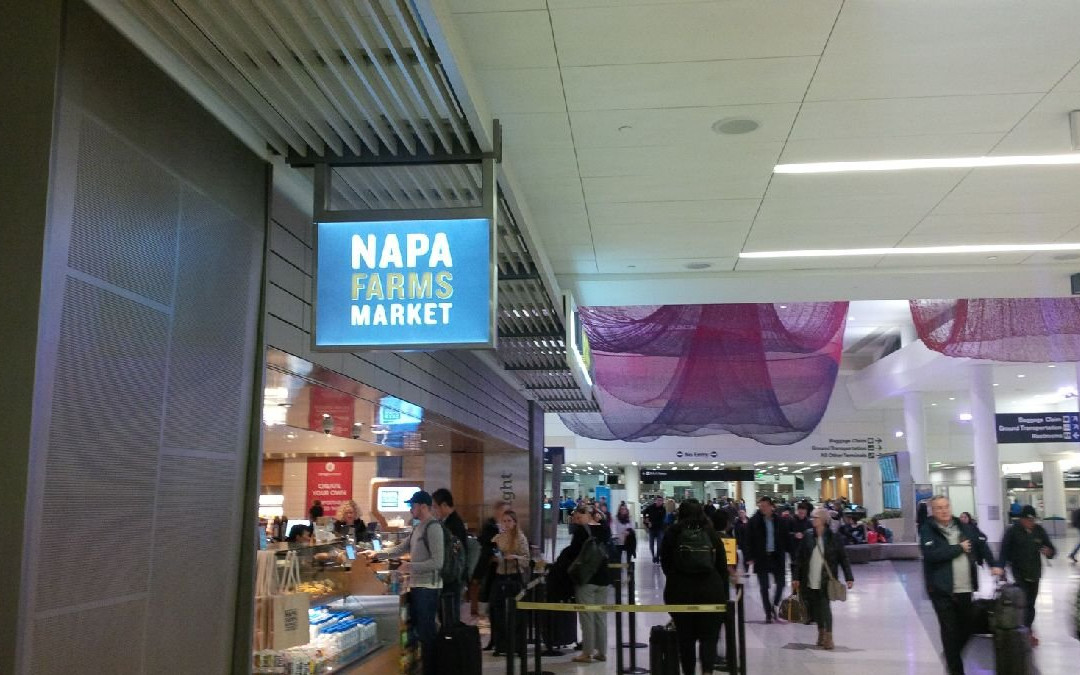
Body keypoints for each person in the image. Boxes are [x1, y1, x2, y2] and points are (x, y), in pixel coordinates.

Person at [362, 491, 444, 675]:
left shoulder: (433, 528)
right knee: (419, 632)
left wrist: (410, 566)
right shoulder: (418, 527)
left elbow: (438, 562)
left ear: (423, 506)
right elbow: (401, 548)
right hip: (417, 587)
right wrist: (377, 554)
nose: (410, 509)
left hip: (428, 588)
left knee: (427, 634)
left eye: (412, 505)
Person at [919, 495, 1003, 675]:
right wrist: (959, 548)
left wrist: (993, 564)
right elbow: (931, 554)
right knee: (949, 631)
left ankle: (951, 655)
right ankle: (955, 669)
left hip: (965, 588)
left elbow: (981, 544)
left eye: (946, 506)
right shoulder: (928, 529)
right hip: (942, 590)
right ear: (933, 511)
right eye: (939, 508)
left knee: (967, 627)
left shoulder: (963, 526)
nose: (944, 510)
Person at [660, 499, 729, 675]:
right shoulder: (711, 533)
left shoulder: (672, 533)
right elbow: (722, 567)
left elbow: (665, 564)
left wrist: (677, 578)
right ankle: (707, 671)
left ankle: (689, 671)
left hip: (681, 592)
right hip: (711, 592)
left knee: (685, 639)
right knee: (709, 638)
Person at [791, 507, 854, 650]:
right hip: (810, 577)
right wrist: (796, 577)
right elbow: (799, 558)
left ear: (824, 520)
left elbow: (843, 558)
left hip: (826, 579)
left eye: (816, 517)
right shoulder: (808, 536)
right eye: (812, 517)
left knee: (825, 606)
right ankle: (821, 632)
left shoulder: (834, 537)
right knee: (815, 608)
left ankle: (829, 636)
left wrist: (849, 577)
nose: (813, 520)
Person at [1000, 504, 1056, 646]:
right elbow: (1004, 551)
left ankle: (1028, 629)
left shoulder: (1039, 531)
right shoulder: (1012, 531)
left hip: (1035, 572)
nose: (1031, 523)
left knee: (1031, 604)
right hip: (1019, 572)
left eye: (1033, 520)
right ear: (1021, 519)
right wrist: (1001, 568)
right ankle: (1023, 632)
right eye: (1028, 520)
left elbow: (1051, 549)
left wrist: (1049, 552)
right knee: (1022, 602)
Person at [563, 504, 613, 663]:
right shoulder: (605, 529)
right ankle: (602, 651)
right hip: (603, 578)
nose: (577, 521)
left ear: (588, 515)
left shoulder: (581, 532)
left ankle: (587, 652)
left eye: (579, 517)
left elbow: (573, 552)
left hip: (586, 579)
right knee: (600, 616)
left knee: (586, 616)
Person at [488, 509, 530, 657]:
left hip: (514, 577)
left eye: (509, 521)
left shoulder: (520, 538)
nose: (506, 524)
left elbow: (526, 559)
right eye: (504, 521)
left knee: (516, 613)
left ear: (515, 522)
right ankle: (501, 644)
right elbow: (491, 552)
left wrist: (515, 557)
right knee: (497, 610)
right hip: (500, 576)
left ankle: (517, 645)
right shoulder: (498, 537)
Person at [747, 496, 789, 623]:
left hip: (777, 556)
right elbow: (748, 540)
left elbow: (785, 537)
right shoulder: (754, 521)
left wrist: (791, 553)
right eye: (761, 506)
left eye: (765, 506)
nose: (763, 508)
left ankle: (775, 605)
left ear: (771, 506)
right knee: (764, 586)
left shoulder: (779, 521)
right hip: (762, 557)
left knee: (781, 583)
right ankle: (768, 613)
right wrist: (749, 557)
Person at [432, 488, 467, 626]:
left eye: (435, 507)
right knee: (448, 615)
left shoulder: (453, 525)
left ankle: (451, 638)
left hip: (452, 576)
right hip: (453, 576)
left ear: (444, 505)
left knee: (449, 615)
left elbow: (452, 554)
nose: (434, 511)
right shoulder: (450, 522)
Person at [471, 500, 509, 625]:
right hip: (488, 564)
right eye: (503, 511)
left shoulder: (506, 526)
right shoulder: (490, 526)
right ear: (497, 511)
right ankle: (483, 614)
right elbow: (485, 542)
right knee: (486, 588)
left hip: (501, 566)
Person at [643, 496, 667, 564]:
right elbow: (644, 512)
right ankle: (653, 556)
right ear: (656, 501)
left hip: (660, 529)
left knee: (659, 545)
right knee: (651, 545)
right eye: (658, 500)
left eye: (661, 500)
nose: (659, 502)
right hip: (652, 529)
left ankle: (657, 556)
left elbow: (661, 521)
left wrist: (652, 523)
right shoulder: (650, 507)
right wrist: (646, 519)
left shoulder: (663, 509)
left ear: (662, 502)